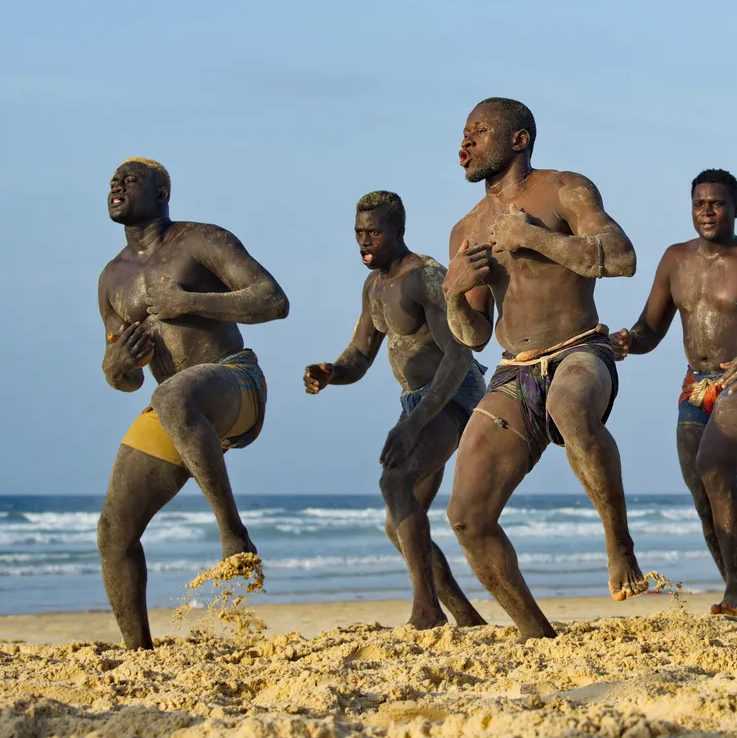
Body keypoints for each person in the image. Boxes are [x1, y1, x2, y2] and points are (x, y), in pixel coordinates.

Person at [441, 97, 648, 640]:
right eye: (463, 133)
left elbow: (622, 257)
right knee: (465, 515)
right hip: (514, 371)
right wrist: (453, 295)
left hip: (581, 350)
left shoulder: (565, 189)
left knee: (568, 405)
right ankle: (537, 633)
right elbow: (475, 334)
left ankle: (618, 540)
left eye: (478, 132)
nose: (464, 144)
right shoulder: (467, 227)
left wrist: (533, 237)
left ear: (518, 140)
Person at [96, 157, 289, 649]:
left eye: (131, 179)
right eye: (113, 180)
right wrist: (116, 366)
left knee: (172, 394)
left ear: (163, 192)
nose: (117, 184)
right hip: (172, 405)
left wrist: (192, 303)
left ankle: (233, 536)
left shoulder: (201, 240)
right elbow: (125, 383)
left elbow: (273, 300)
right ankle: (139, 652)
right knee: (113, 532)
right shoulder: (111, 280)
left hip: (234, 382)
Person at [303, 191, 488, 630]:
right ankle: (465, 617)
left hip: (453, 394)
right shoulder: (373, 286)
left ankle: (426, 611)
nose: (365, 242)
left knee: (395, 481)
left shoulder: (423, 277)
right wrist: (332, 372)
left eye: (375, 232)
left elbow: (459, 354)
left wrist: (414, 423)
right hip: (416, 403)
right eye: (359, 233)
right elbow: (360, 355)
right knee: (399, 519)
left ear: (399, 231)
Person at [611, 169, 737, 617]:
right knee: (701, 490)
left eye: (717, 203)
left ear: (736, 210)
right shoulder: (674, 260)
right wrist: (629, 342)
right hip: (695, 386)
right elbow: (650, 328)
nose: (707, 211)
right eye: (700, 203)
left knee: (715, 467)